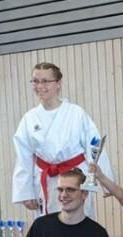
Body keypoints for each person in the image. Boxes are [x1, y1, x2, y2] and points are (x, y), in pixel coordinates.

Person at [12, 62, 112, 217]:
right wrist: (26, 192)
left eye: (45, 81)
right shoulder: (29, 118)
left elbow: (95, 147)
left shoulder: (76, 113)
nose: (40, 86)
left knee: (78, 223)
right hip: (46, 179)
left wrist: (106, 182)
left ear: (58, 83)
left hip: (75, 177)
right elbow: (23, 157)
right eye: (35, 81)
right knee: (48, 226)